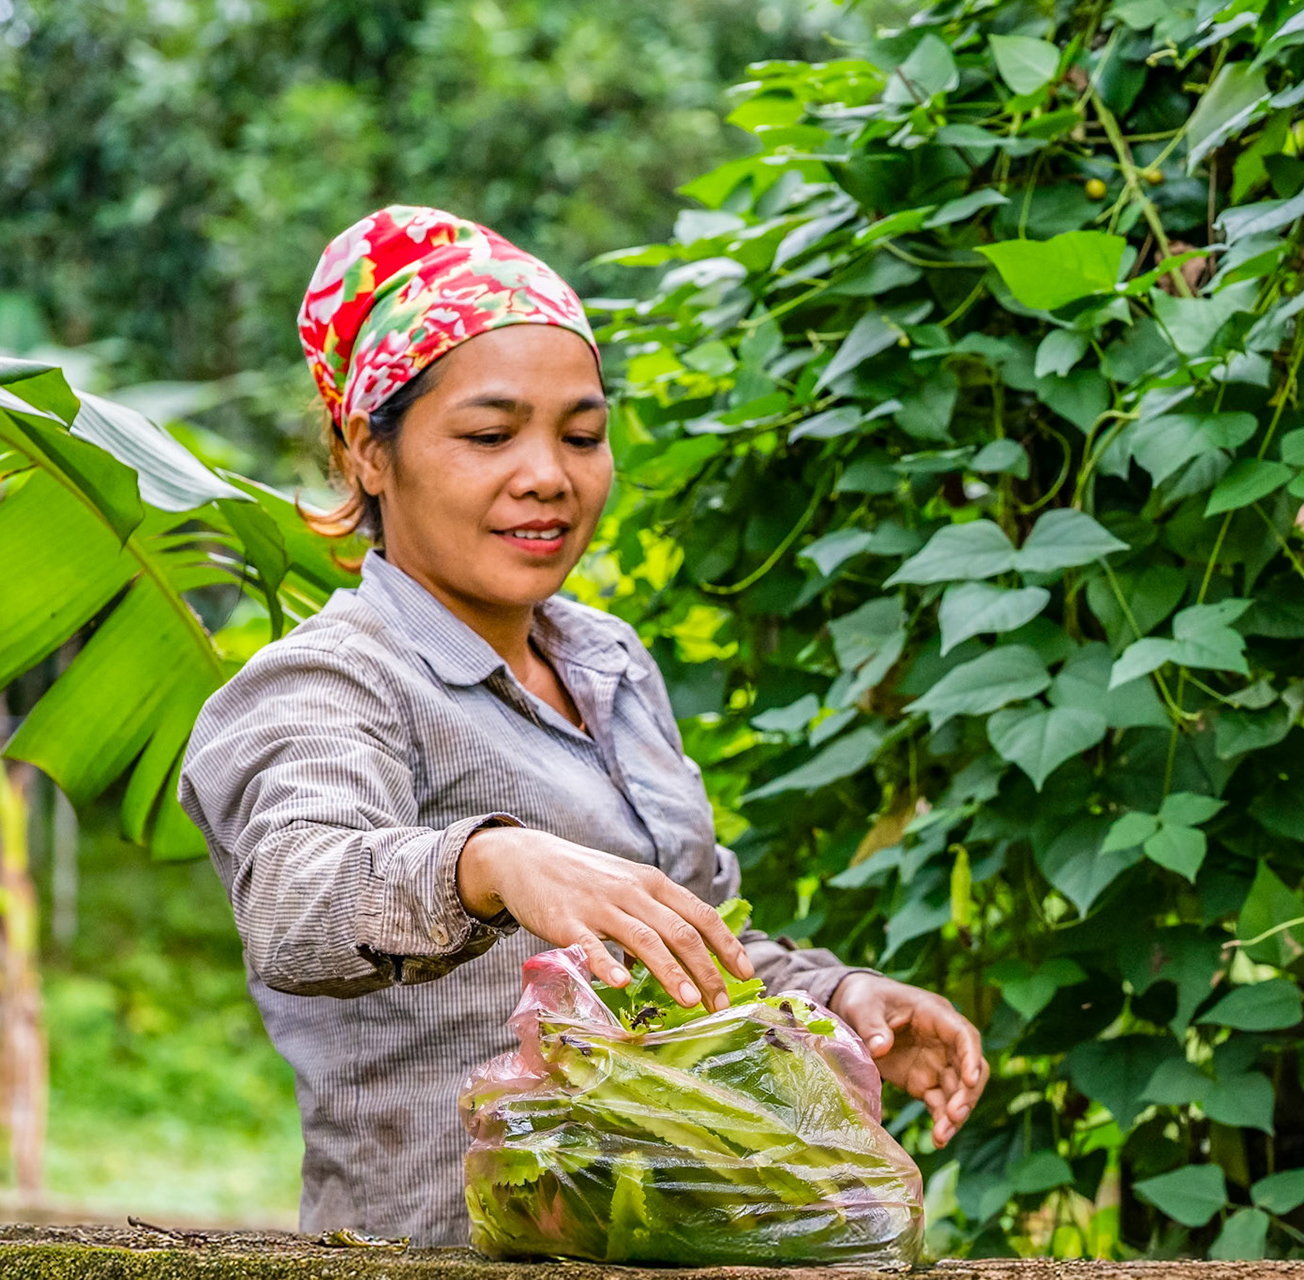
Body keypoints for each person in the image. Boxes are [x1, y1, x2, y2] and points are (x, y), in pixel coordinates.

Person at [178, 206, 987, 1248]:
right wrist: (491, 861)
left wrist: (838, 990)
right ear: (364, 452)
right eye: (488, 433)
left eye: (582, 433)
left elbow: (688, 935)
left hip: (678, 1239)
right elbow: (295, 899)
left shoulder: (604, 659)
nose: (549, 475)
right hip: (435, 1255)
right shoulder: (329, 681)